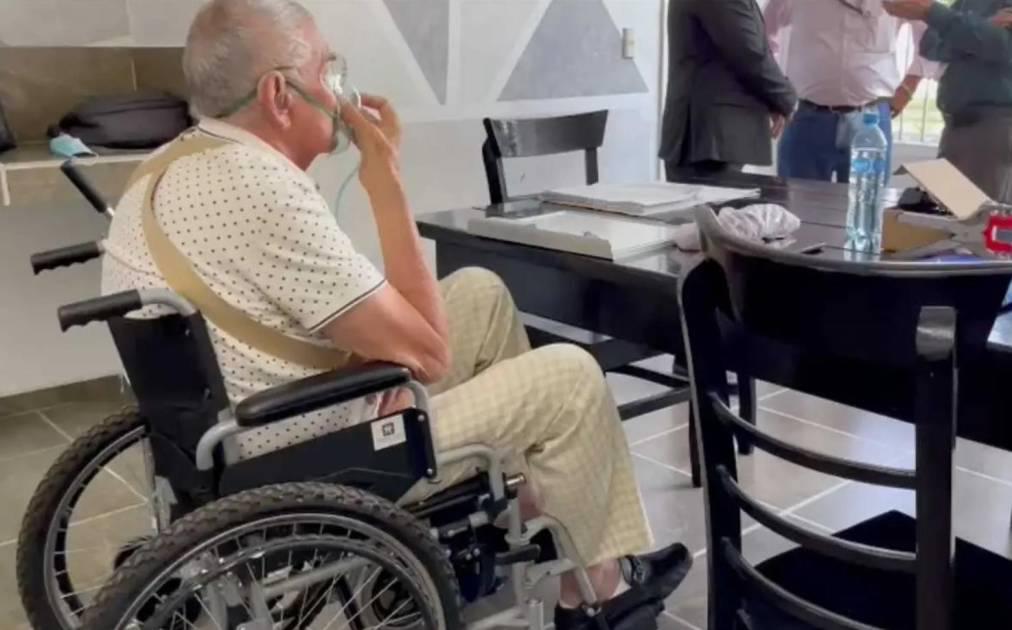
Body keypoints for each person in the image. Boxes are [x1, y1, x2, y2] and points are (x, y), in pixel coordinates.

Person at [99, 0, 691, 627]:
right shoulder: (261, 185)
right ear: (278, 94)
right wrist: (386, 180)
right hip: (310, 456)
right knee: (570, 378)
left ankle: (535, 510)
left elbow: (269, 325)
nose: (339, 88)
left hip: (235, 436)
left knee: (480, 293)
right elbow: (430, 352)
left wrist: (376, 361)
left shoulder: (171, 164)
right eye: (327, 68)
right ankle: (598, 591)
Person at [765, 0, 934, 182]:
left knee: (867, 198)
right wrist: (776, 91)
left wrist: (908, 88)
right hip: (805, 119)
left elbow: (931, 37)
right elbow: (762, 36)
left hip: (871, 122)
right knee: (796, 198)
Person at [884, 0, 1012, 203]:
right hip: (955, 126)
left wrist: (963, 30)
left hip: (992, 130)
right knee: (947, 209)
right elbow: (930, 47)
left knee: (980, 215)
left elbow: (1000, 45)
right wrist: (980, 30)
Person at [659, 0, 797, 179]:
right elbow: (749, 54)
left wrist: (774, 100)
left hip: (709, 138)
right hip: (708, 139)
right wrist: (787, 99)